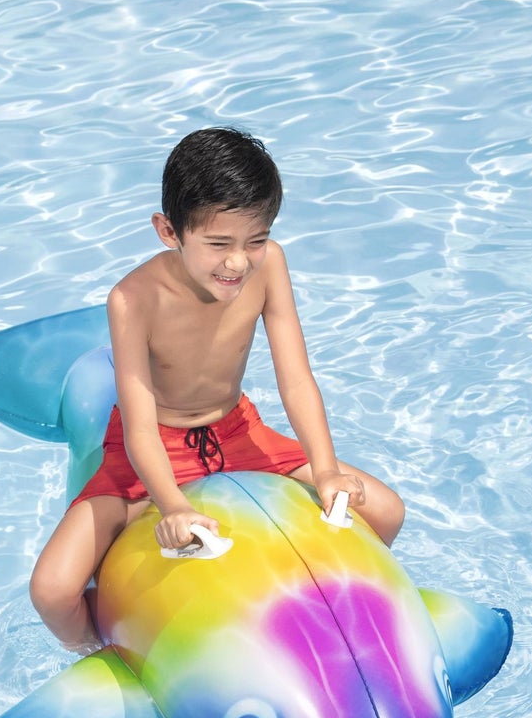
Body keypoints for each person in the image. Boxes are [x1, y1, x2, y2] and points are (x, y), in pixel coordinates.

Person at [30, 126, 405, 653]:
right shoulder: (133, 300)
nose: (237, 262)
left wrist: (326, 468)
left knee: (386, 509)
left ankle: (334, 610)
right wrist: (171, 505)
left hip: (238, 430)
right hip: (153, 447)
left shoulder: (269, 265)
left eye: (255, 240)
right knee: (52, 590)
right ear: (169, 231)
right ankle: (111, 653)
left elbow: (295, 378)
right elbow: (138, 427)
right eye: (218, 244)